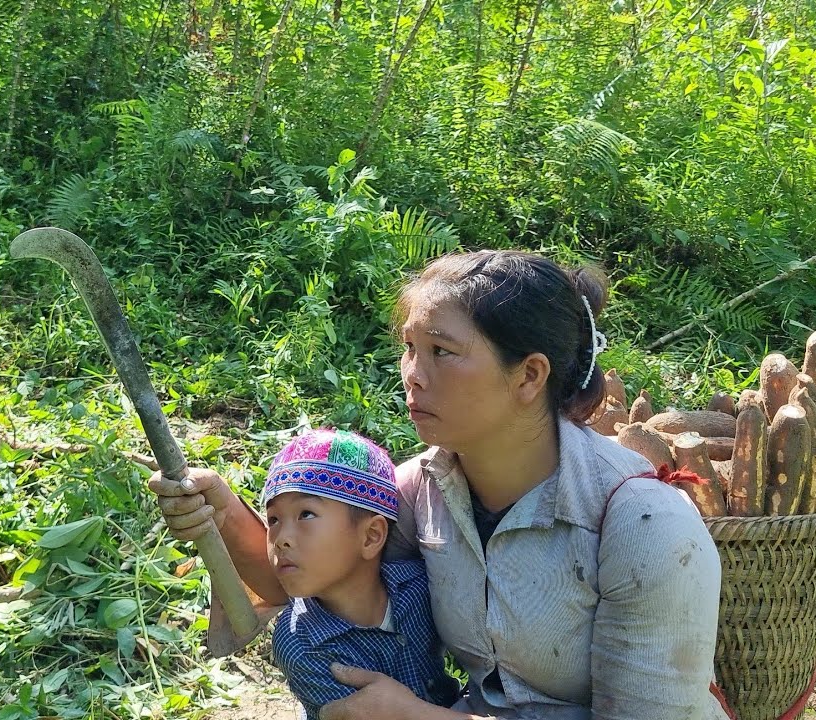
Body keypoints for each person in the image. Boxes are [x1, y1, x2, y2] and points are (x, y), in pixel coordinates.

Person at [150, 250, 729, 720]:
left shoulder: (644, 525)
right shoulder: (423, 489)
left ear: (529, 375)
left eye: (442, 352)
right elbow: (314, 574)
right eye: (410, 348)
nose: (413, 376)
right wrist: (220, 511)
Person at [262, 428, 460, 719]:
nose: (281, 539)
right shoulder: (301, 644)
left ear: (371, 536)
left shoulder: (419, 587)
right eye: (273, 520)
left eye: (306, 514)